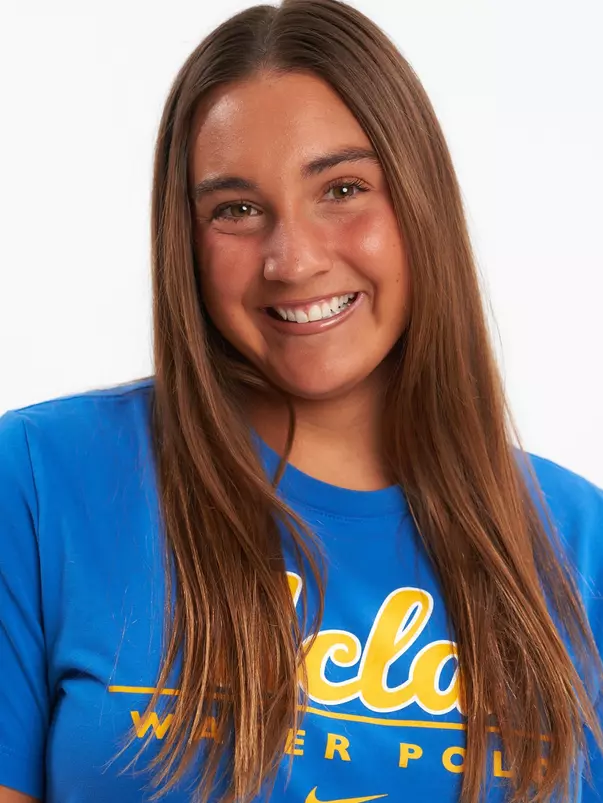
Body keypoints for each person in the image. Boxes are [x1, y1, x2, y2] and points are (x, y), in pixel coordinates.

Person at [1, 0, 602, 801]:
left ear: (420, 202)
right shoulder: (40, 482)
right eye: (236, 210)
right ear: (185, 240)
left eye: (342, 188)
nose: (292, 260)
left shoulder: (577, 542)